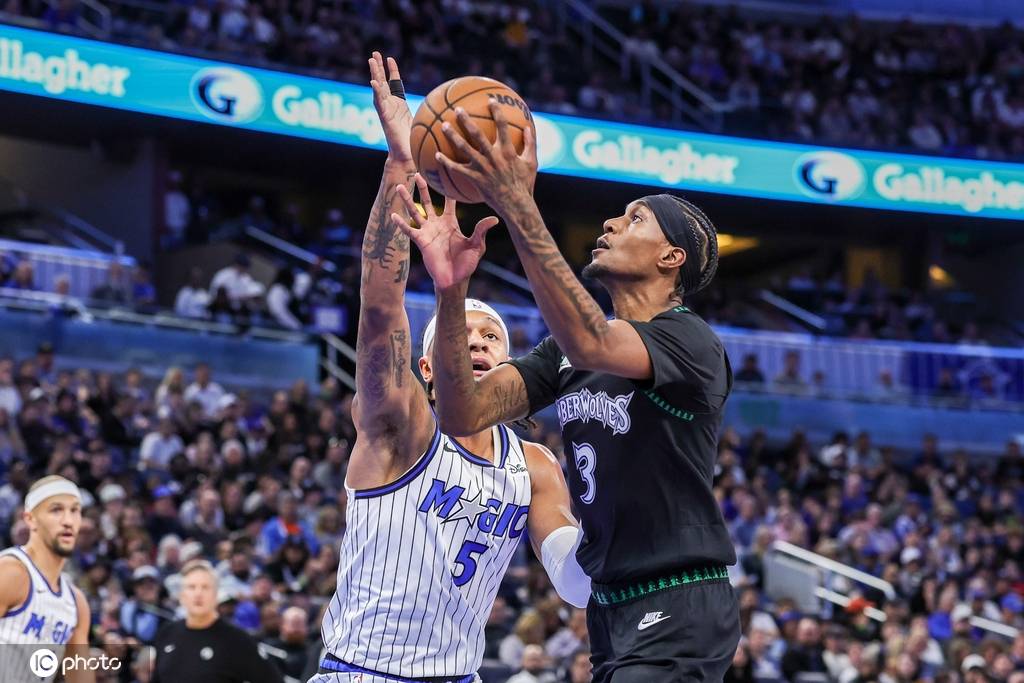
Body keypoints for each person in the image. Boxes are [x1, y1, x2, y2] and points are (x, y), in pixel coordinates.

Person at [397, 99, 739, 682]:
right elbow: (461, 412)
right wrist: (451, 291)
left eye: (634, 219)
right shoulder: (565, 354)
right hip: (608, 608)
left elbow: (591, 341)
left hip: (679, 598)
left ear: (671, 257)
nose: (610, 224)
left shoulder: (689, 341)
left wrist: (517, 203)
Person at [310, 53, 585, 683]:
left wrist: (623, 526)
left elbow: (574, 585)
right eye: (467, 335)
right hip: (363, 672)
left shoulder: (534, 465)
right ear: (427, 368)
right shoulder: (401, 427)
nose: (481, 343)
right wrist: (401, 162)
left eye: (494, 337)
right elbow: (379, 310)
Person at [0, 476, 92, 683]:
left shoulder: (76, 603)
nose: (68, 521)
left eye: (75, 510)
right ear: (30, 519)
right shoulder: (10, 572)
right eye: (56, 510)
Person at [152, 559, 281, 683]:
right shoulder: (166, 634)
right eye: (191, 587)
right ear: (182, 596)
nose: (198, 593)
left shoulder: (237, 640)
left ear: (216, 595)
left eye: (205, 587)